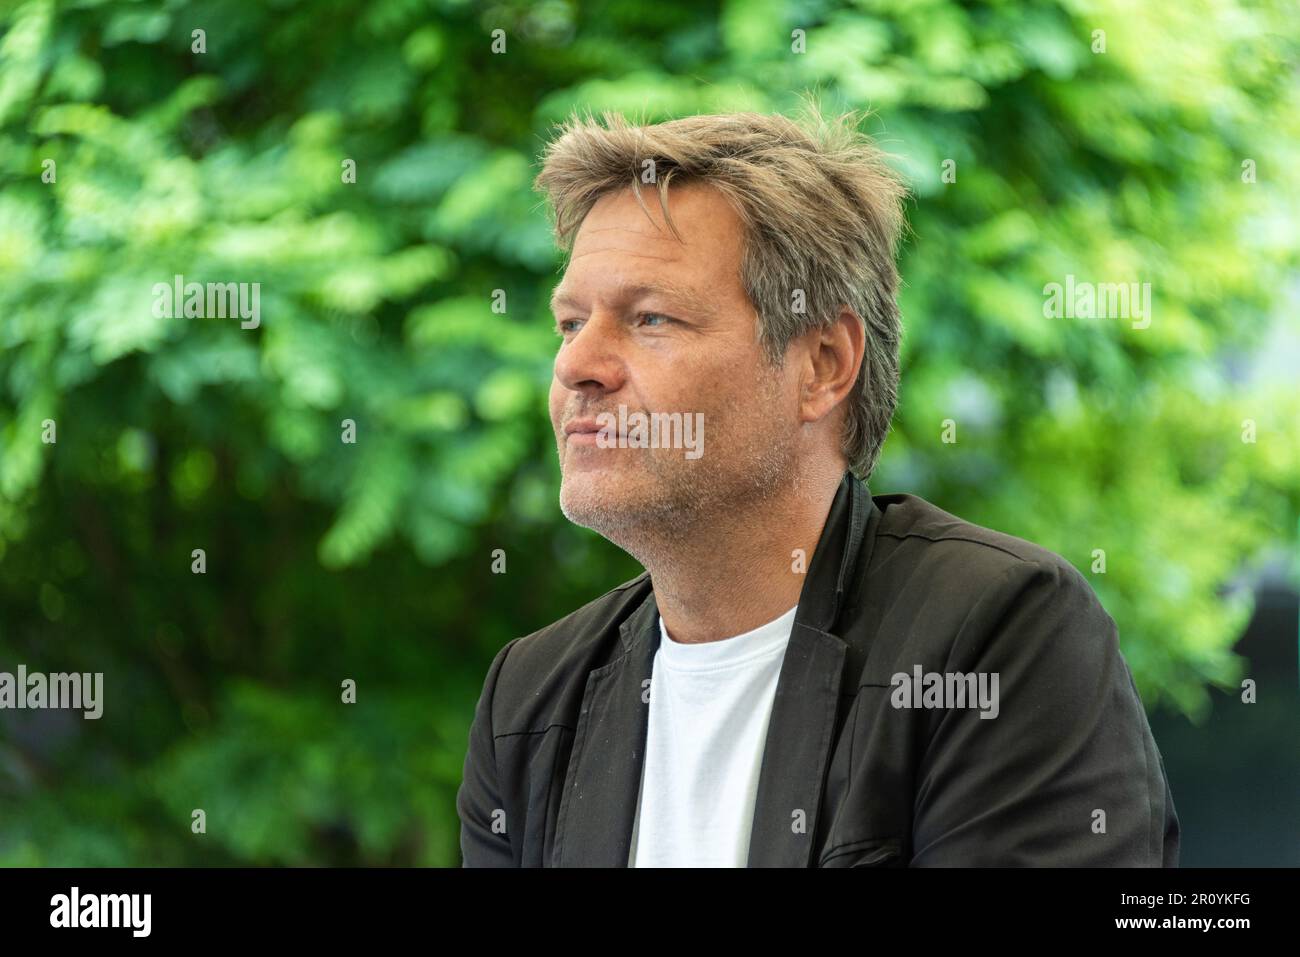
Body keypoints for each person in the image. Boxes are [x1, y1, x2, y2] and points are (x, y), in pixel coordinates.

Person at [456, 104, 1180, 867]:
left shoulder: (995, 636)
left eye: (651, 319)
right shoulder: (532, 699)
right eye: (570, 323)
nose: (577, 365)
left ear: (824, 364)